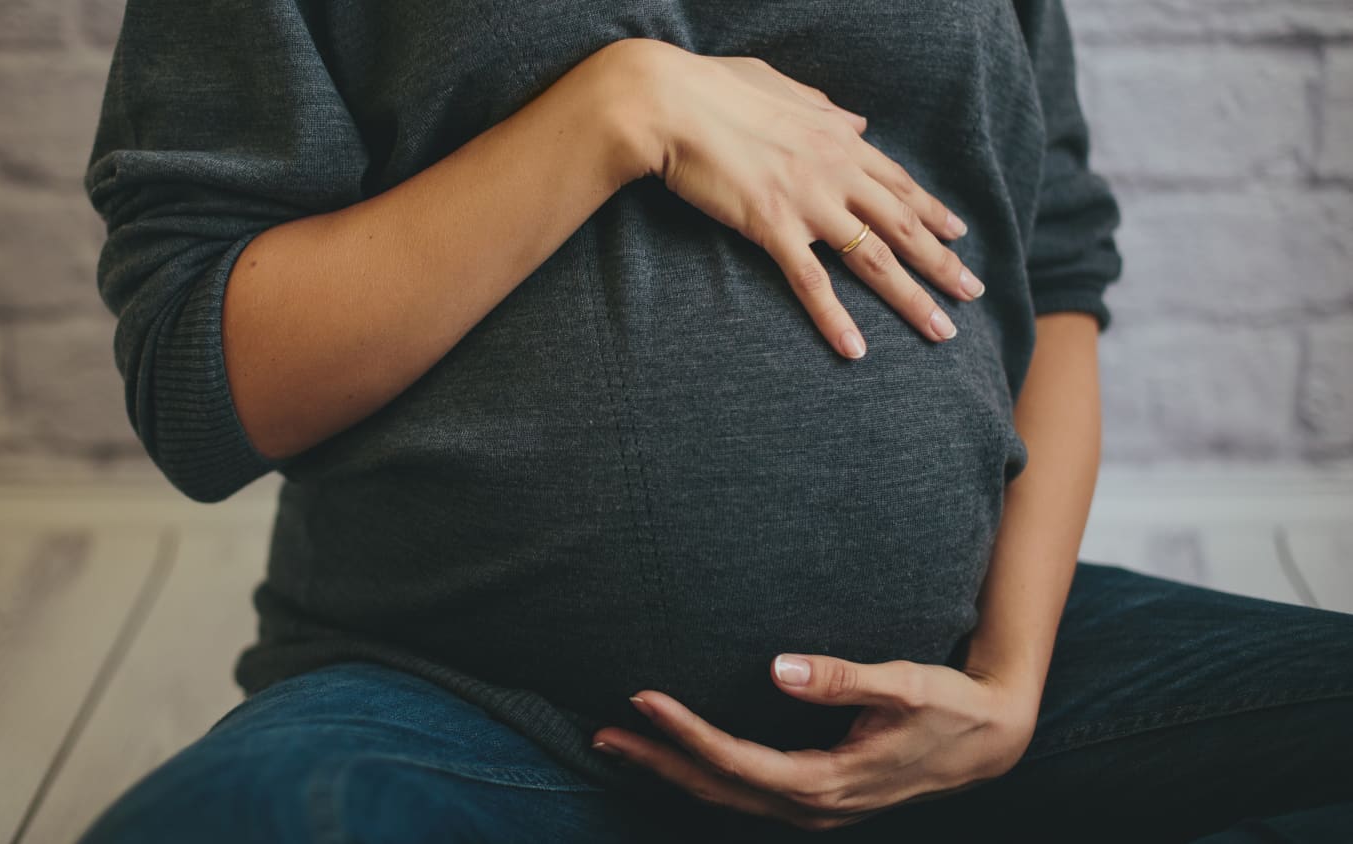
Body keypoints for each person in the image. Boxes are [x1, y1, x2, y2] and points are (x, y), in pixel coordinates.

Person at [77, 0, 1353, 840]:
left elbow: (1054, 279)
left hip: (952, 705)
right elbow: (206, 386)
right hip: (469, 706)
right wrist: (614, 110)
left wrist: (1008, 684)